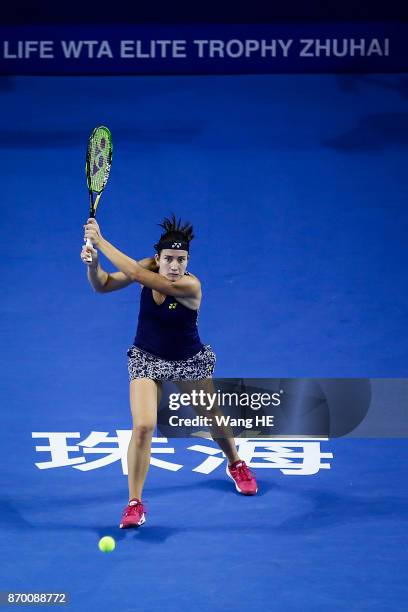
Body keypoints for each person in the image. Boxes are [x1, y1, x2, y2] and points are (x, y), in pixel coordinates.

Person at [81, 214, 258, 529]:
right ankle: (134, 503)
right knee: (144, 426)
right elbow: (104, 285)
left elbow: (134, 273)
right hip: (146, 358)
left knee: (211, 416)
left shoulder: (190, 285)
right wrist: (93, 264)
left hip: (187, 360)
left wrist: (101, 240)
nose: (175, 266)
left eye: (182, 259)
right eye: (169, 259)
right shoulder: (146, 266)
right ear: (158, 258)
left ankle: (236, 462)